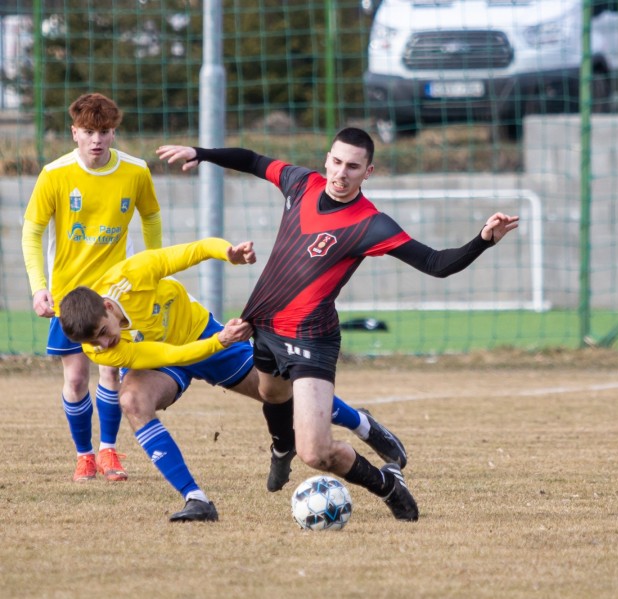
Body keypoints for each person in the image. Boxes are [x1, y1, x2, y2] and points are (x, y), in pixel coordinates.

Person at [157, 127, 519, 521]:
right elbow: (254, 161)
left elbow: (436, 264)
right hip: (264, 325)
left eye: (353, 167)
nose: (341, 173)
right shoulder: (301, 183)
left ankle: (387, 485)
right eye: (336, 161)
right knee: (272, 395)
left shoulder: (371, 224)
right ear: (326, 159)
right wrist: (201, 152)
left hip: (312, 337)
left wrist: (484, 239)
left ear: (369, 172)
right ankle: (281, 447)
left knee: (317, 452)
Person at [58, 237, 409, 522]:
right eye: (94, 342)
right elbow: (169, 357)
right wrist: (220, 341)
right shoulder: (99, 350)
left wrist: (227, 253)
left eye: (103, 332)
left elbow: (191, 251)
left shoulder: (132, 274)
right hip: (176, 356)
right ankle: (196, 499)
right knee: (132, 400)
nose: (104, 344)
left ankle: (364, 425)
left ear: (107, 306)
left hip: (201, 332)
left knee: (277, 390)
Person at [22, 93, 163, 483]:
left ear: (114, 132)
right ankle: (84, 455)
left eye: (103, 131)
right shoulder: (55, 174)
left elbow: (151, 218)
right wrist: (39, 287)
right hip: (69, 295)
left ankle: (109, 451)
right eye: (88, 132)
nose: (96, 139)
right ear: (74, 133)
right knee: (75, 379)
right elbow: (32, 232)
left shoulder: (135, 172)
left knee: (112, 373)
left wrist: (153, 270)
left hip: (115, 292)